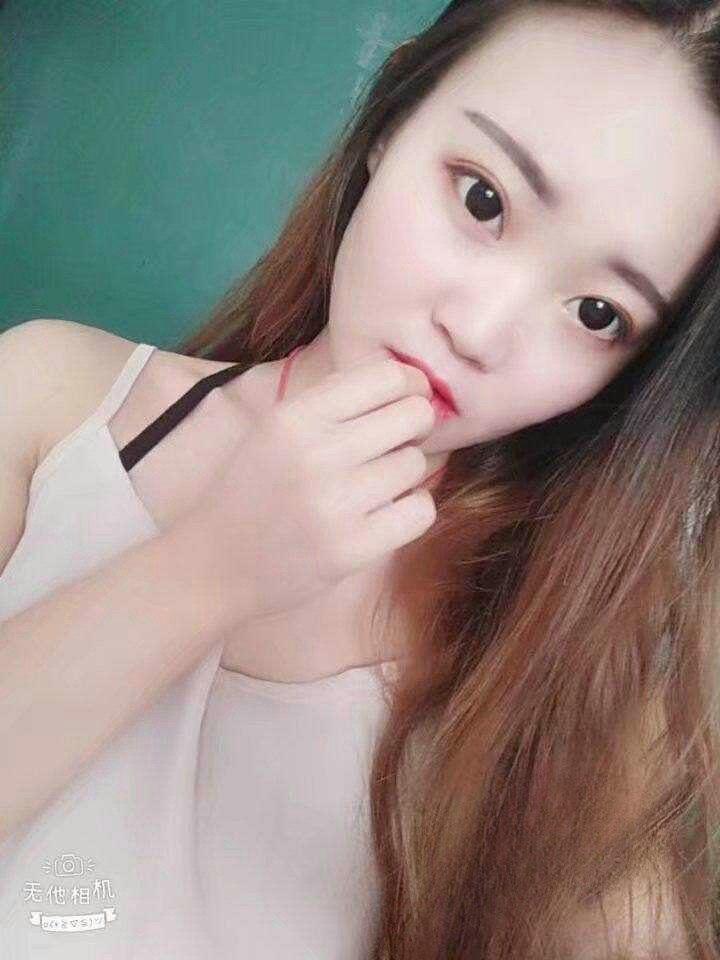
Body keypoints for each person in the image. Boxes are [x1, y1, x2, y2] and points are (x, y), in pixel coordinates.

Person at [1, 0, 720, 956]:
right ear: (390, 122)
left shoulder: (562, 663)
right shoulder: (54, 403)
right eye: (483, 200)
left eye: (596, 313)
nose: (478, 329)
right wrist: (210, 570)